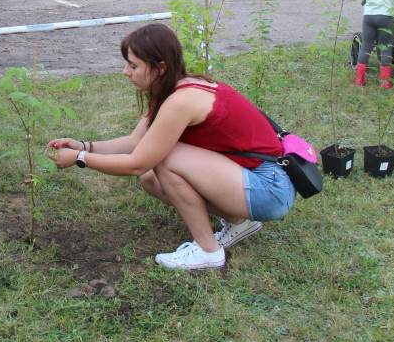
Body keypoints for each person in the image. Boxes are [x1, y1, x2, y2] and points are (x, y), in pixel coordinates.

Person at [45, 24, 295, 270]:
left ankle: (209, 251)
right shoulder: (174, 87)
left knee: (163, 159)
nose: (125, 71)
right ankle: (239, 222)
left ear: (160, 68)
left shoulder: (181, 101)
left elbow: (137, 162)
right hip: (255, 178)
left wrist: (80, 158)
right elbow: (134, 143)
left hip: (270, 188)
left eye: (133, 65)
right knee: (151, 179)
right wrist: (84, 145)